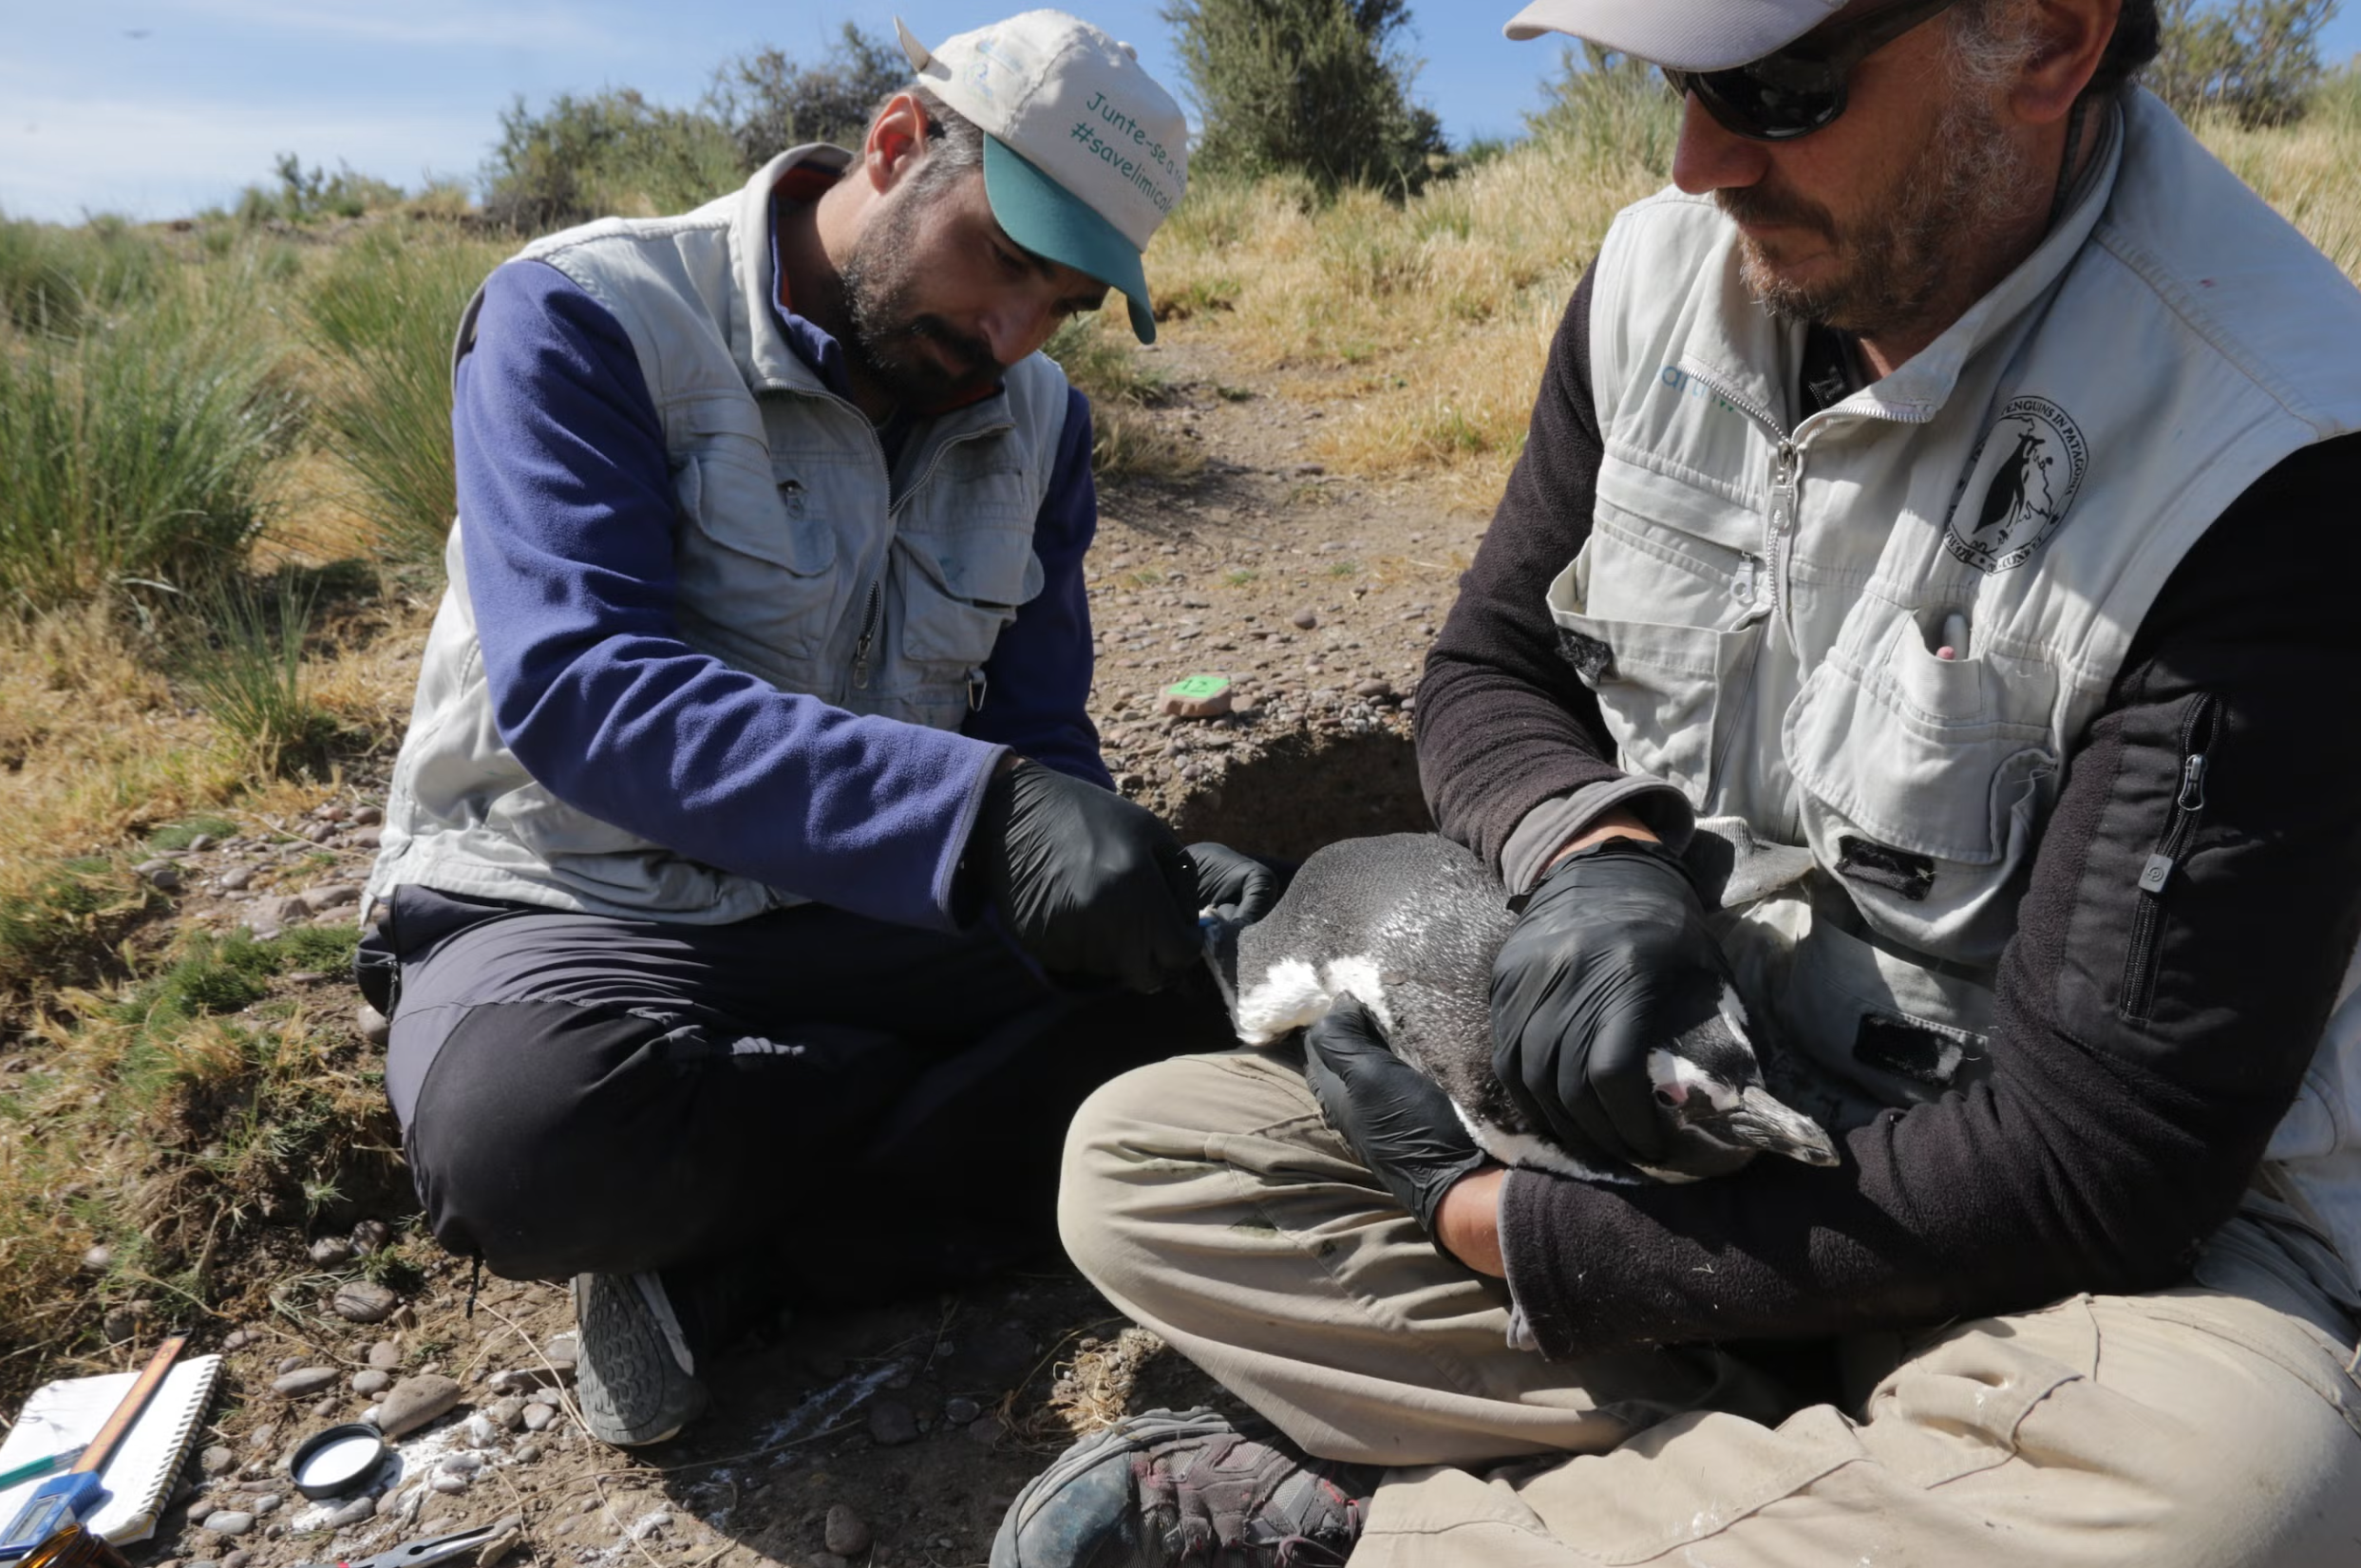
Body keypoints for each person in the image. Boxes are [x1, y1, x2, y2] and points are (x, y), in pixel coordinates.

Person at [997, 0, 2361, 1562]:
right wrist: (1596, 852)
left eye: (1774, 89)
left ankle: (1393, 1532)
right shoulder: (1658, 278)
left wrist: (1489, 1224)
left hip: (2060, 1254)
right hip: (1681, 1120)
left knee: (2229, 1492)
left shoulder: (2278, 457)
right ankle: (1826, 1490)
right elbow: (1486, 671)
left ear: (2045, 40)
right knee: (1141, 1166)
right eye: (1673, 83)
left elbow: (2090, 1165)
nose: (1695, 158)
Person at [352, 10, 1257, 1449]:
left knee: (1204, 993)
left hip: (871, 913)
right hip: (577, 896)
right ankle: (907, 1143)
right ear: (898, 145)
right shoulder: (585, 312)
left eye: (1064, 303)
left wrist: (1115, 867)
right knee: (524, 1143)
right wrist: (983, 825)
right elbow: (587, 689)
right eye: (1005, 261)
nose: (1012, 337)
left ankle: (741, 1263)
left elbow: (1036, 729)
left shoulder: (1039, 424)